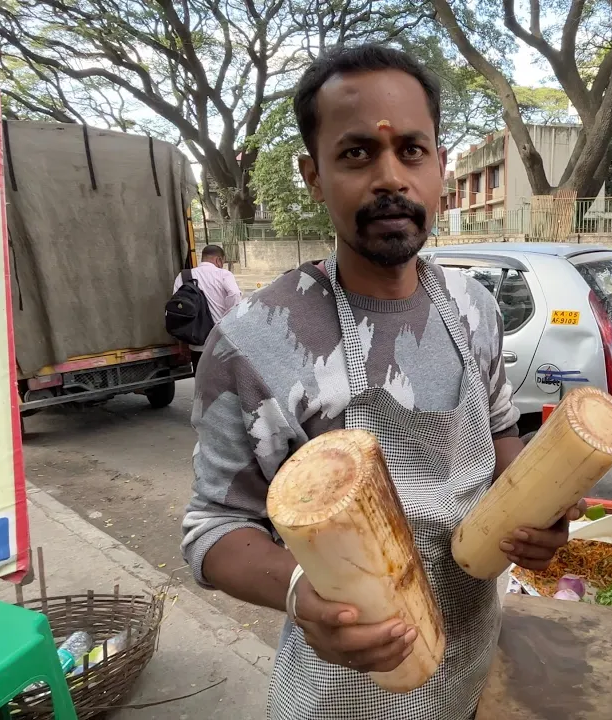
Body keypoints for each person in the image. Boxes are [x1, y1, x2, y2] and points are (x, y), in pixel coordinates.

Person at [180, 45, 581, 719]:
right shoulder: (254, 341)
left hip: (472, 664)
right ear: (313, 175)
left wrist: (541, 516)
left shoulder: (475, 310)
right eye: (357, 154)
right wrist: (299, 589)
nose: (391, 178)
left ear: (441, 168)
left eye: (413, 152)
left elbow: (504, 440)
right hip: (344, 694)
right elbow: (211, 528)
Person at [172, 244, 241, 368]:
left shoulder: (183, 277)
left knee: (202, 383)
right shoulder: (223, 274)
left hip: (196, 342)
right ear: (218, 260)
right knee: (224, 384)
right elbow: (235, 294)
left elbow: (178, 311)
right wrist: (228, 318)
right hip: (222, 341)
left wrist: (182, 342)